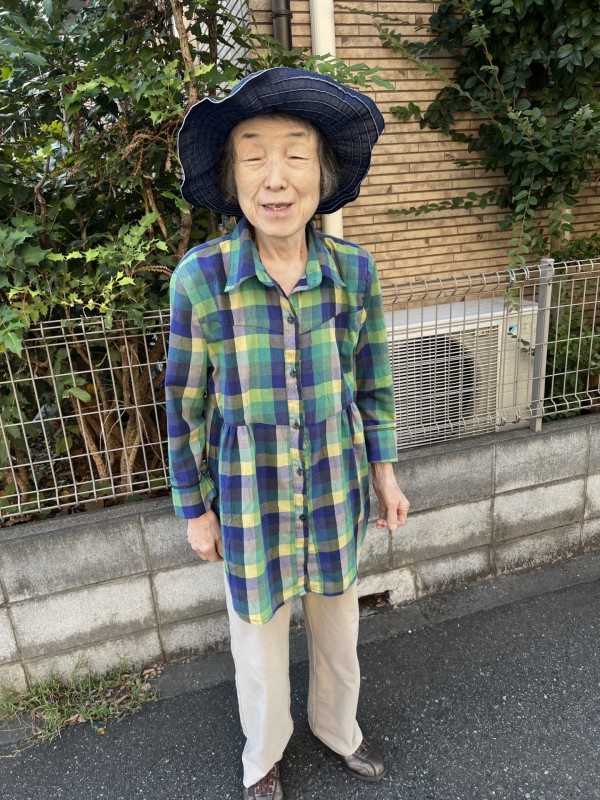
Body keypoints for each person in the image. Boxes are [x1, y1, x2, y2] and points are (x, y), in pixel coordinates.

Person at [165, 67, 410, 800]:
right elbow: (183, 404)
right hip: (249, 496)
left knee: (339, 628)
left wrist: (385, 473)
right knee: (258, 640)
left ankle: (339, 730)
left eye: (295, 155)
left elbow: (373, 382)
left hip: (335, 484)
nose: (275, 177)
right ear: (231, 176)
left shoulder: (353, 272)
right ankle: (264, 755)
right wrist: (195, 509)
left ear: (321, 175)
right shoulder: (201, 278)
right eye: (254, 156)